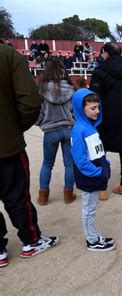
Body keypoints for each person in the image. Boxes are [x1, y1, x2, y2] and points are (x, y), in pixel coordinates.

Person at [0, 44, 59, 268]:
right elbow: (30, 101)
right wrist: (15, 128)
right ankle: (31, 240)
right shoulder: (7, 55)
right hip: (6, 144)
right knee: (16, 195)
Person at [89, 42, 122, 198]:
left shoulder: (100, 71)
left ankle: (102, 189)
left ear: (105, 53)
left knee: (101, 152)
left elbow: (94, 97)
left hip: (105, 118)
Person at [70, 89, 114, 252]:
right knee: (89, 209)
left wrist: (105, 165)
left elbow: (97, 151)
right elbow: (80, 160)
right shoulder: (79, 130)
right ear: (81, 109)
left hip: (95, 174)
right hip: (89, 177)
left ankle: (94, 235)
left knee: (92, 208)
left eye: (98, 107)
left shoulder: (90, 126)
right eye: (93, 108)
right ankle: (92, 241)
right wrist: (98, 172)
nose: (97, 111)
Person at [35, 60, 77, 205]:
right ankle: (68, 195)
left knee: (47, 164)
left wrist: (41, 122)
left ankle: (43, 197)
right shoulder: (71, 89)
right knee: (69, 164)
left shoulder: (41, 89)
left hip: (50, 131)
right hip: (68, 129)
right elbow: (76, 110)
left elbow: (37, 112)